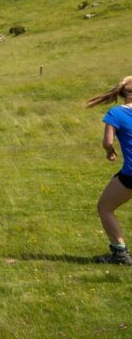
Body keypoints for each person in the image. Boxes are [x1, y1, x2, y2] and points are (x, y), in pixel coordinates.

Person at [85, 76, 132, 265]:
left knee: (105, 206)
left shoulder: (116, 113)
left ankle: (120, 254)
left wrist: (110, 151)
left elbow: (107, 142)